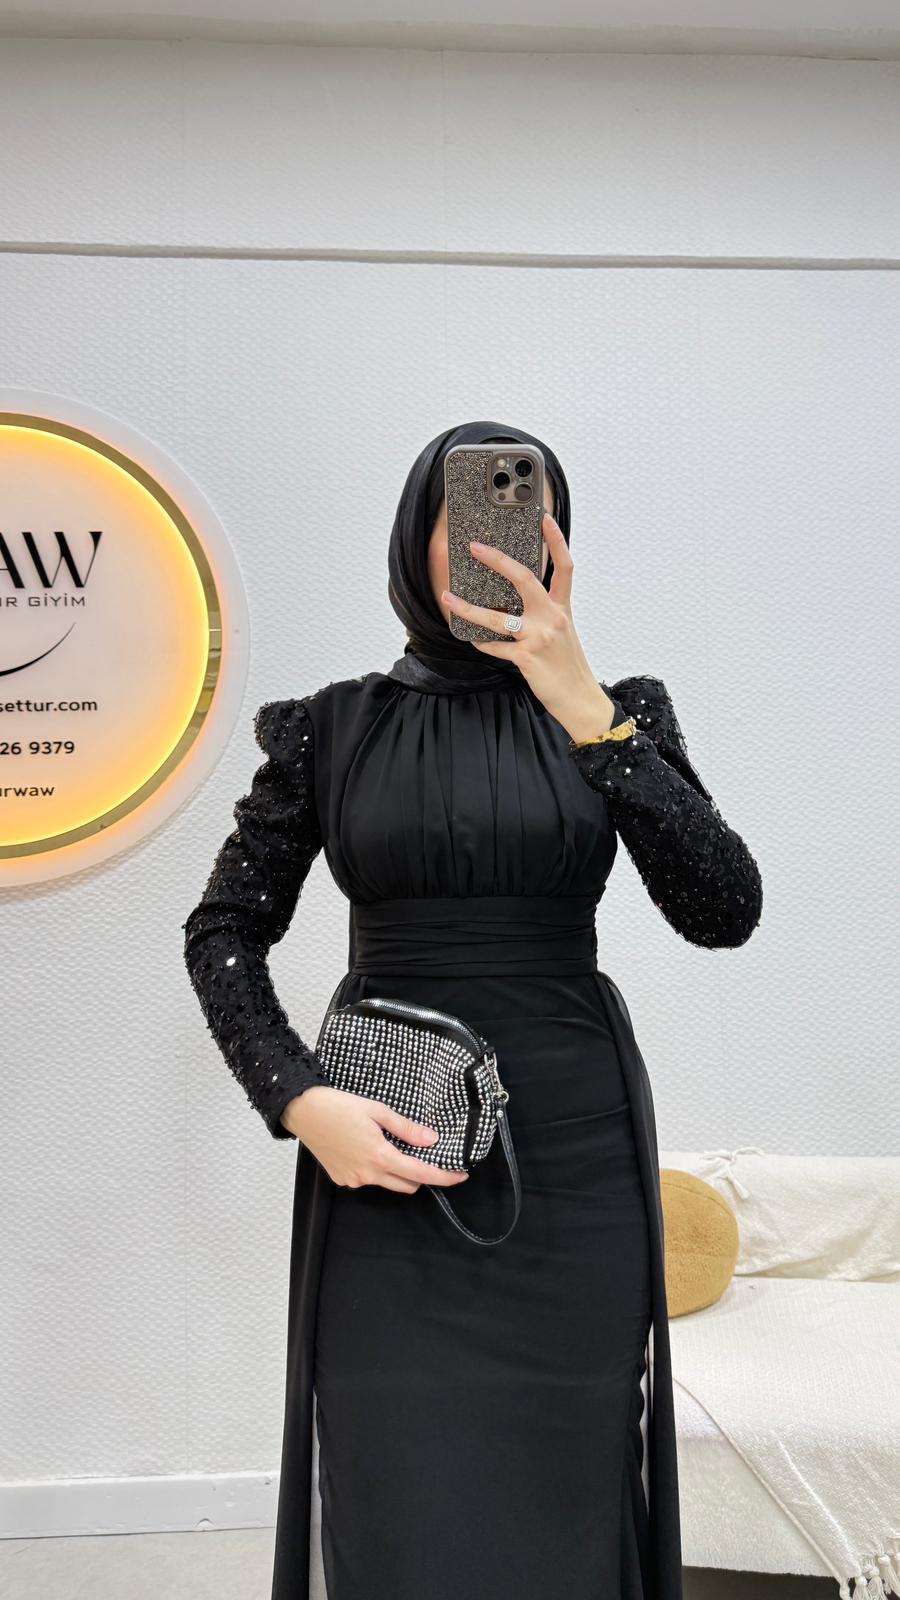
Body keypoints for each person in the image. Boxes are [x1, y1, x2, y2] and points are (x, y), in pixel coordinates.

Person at [182, 419, 763, 1600]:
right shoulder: (330, 727)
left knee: (570, 1496)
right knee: (400, 1503)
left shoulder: (614, 713)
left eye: (525, 518)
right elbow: (224, 931)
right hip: (385, 1161)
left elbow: (724, 908)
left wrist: (588, 711)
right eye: (468, 519)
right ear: (417, 538)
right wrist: (297, 1099)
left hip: (577, 1161)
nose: (496, 548)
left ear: (558, 545)